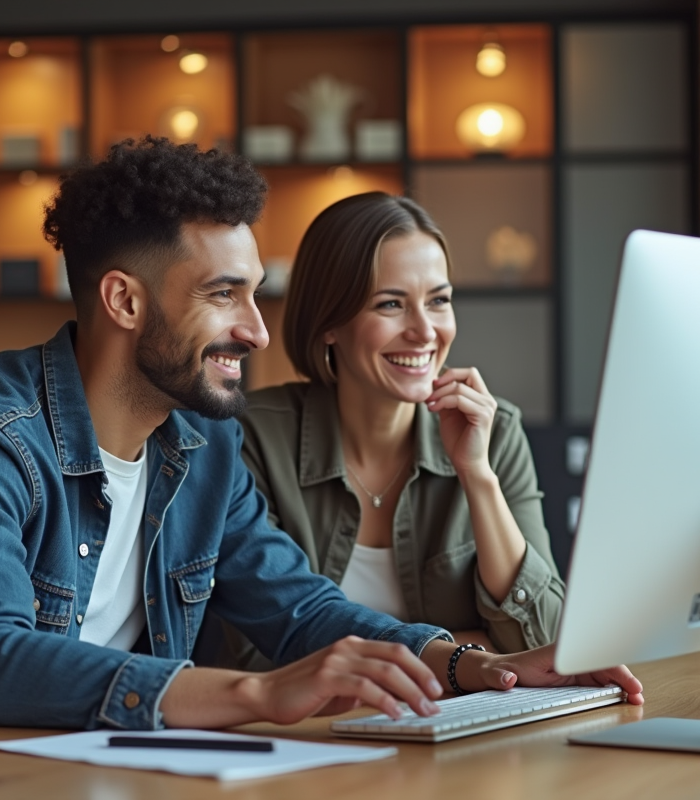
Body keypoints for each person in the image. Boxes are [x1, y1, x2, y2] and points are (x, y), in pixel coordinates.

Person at [0, 140, 641, 750]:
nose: (254, 329)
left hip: (95, 767)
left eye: (255, 293)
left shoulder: (200, 449)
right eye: (222, 295)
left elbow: (301, 610)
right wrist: (256, 691)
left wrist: (478, 668)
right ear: (124, 301)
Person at [214, 193, 561, 672]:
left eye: (438, 301)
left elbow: (543, 642)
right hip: (310, 736)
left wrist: (477, 475)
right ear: (330, 322)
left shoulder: (494, 431)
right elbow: (256, 652)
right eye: (391, 304)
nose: (424, 331)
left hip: (462, 728)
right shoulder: (251, 440)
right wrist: (466, 650)